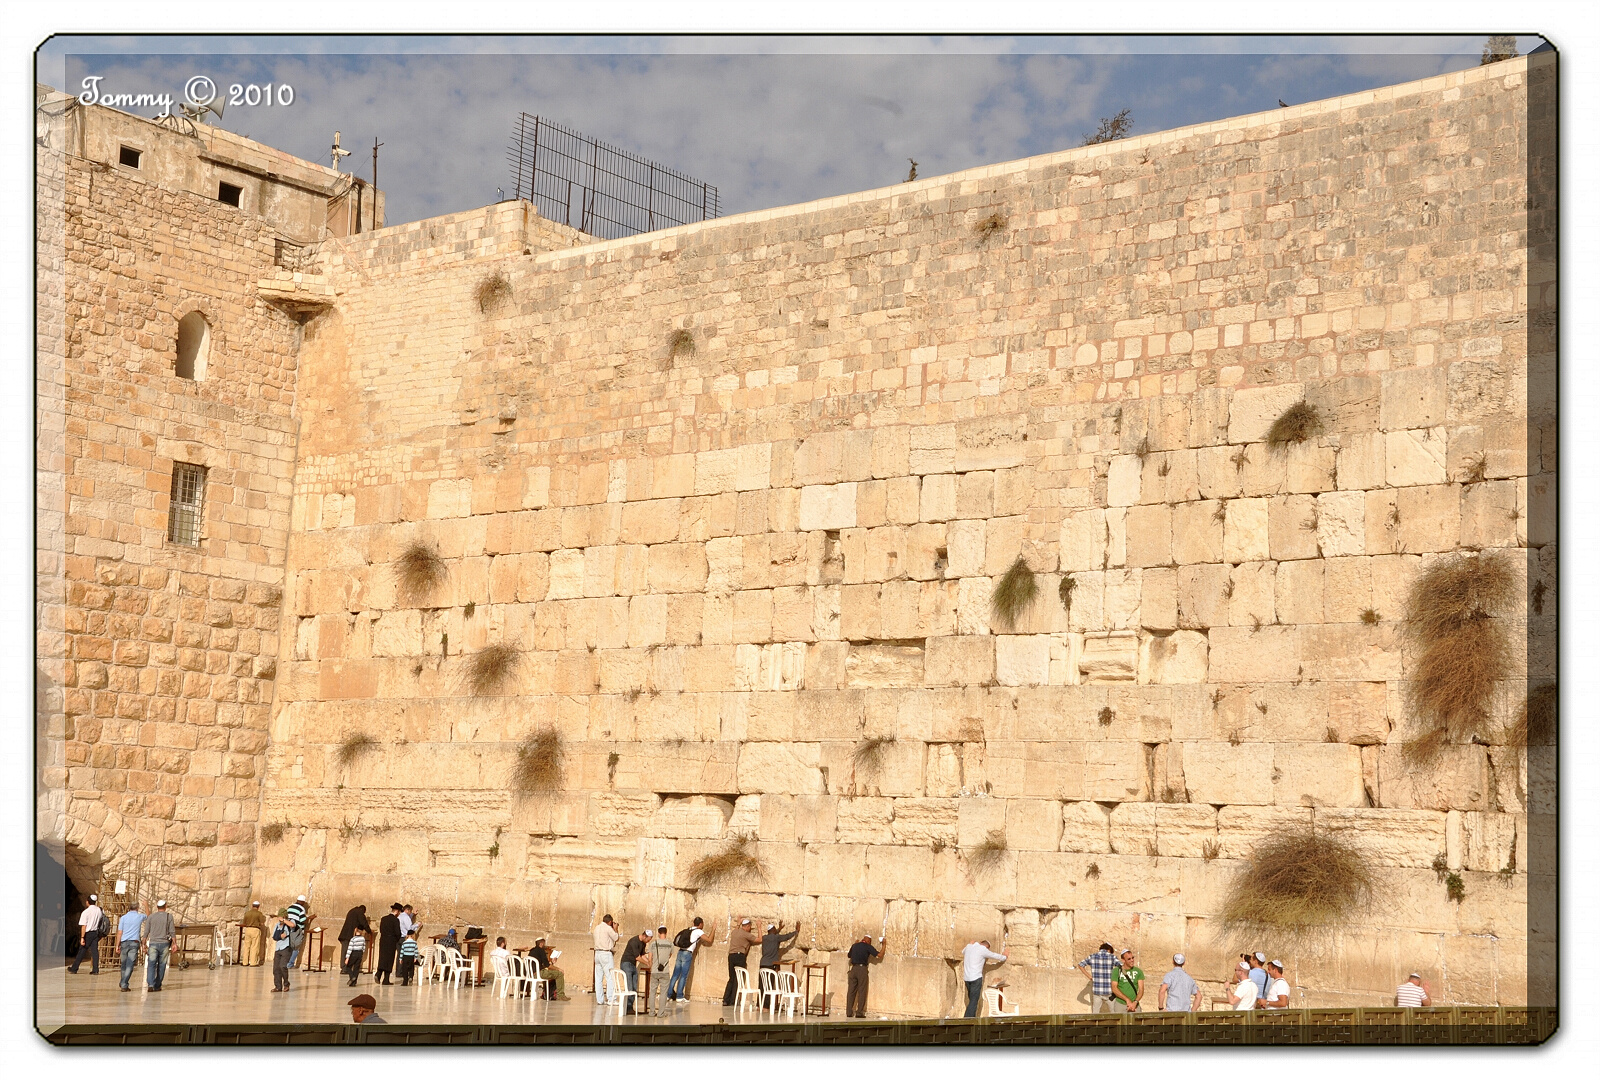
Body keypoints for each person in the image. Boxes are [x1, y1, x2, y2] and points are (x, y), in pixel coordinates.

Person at [962, 939, 1008, 1017]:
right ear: (987, 947)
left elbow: (963, 952)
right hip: (976, 978)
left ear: (981, 942)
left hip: (967, 978)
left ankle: (969, 1018)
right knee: (974, 1001)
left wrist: (970, 943)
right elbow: (994, 955)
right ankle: (968, 1019)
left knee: (971, 1000)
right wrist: (1004, 957)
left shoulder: (968, 946)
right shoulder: (983, 949)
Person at [667, 917, 708, 1003]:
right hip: (687, 954)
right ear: (700, 924)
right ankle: (679, 996)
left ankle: (668, 994)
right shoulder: (698, 931)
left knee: (675, 975)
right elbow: (709, 940)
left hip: (680, 952)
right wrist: (713, 929)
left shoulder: (688, 929)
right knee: (683, 975)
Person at [846, 934, 885, 1017]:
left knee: (851, 992)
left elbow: (849, 955)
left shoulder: (855, 945)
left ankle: (849, 1012)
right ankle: (859, 1012)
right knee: (862, 991)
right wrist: (884, 945)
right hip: (862, 969)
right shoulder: (867, 946)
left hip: (853, 969)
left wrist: (855, 944)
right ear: (868, 941)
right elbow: (880, 955)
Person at [722, 918, 759, 1006]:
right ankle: (733, 1000)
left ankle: (725, 999)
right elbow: (759, 939)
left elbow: (735, 929)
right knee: (738, 979)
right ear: (747, 926)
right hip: (739, 956)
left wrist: (738, 923)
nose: (750, 929)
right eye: (749, 927)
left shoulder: (735, 932)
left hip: (731, 956)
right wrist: (760, 928)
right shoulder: (746, 934)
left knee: (731, 978)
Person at [1076, 942, 1121, 1013]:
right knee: (1115, 1014)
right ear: (1109, 949)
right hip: (1109, 992)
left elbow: (1080, 965)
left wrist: (1090, 977)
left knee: (1095, 1015)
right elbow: (1121, 967)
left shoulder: (1092, 956)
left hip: (1097, 991)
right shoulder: (1112, 957)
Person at [144, 899, 176, 991]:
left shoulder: (151, 917)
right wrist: (174, 943)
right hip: (164, 944)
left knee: (151, 964)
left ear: (157, 907)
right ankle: (157, 985)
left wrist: (143, 943)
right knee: (162, 965)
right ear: (165, 906)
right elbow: (172, 931)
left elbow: (146, 931)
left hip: (153, 943)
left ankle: (150, 984)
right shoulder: (169, 916)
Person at [70, 893, 105, 974]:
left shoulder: (86, 912)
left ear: (88, 902)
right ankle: (95, 969)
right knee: (95, 951)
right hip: (95, 933)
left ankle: (74, 968)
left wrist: (82, 937)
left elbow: (84, 926)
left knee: (82, 950)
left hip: (88, 933)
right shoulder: (99, 910)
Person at [117, 901, 147, 992]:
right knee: (130, 965)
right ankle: (124, 983)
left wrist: (117, 945)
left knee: (124, 964)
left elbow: (119, 932)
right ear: (137, 908)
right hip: (134, 942)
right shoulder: (139, 917)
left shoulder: (123, 918)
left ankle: (123, 982)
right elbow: (149, 916)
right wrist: (146, 906)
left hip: (124, 942)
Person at [620, 929, 651, 1014]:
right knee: (629, 987)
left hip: (633, 965)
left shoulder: (643, 943)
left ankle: (630, 1008)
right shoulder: (634, 941)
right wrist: (647, 963)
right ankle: (627, 1007)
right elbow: (637, 957)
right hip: (626, 963)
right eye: (648, 939)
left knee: (634, 987)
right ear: (644, 936)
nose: (648, 942)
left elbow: (642, 954)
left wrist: (649, 962)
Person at [592, 914, 620, 1004]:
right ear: (610, 922)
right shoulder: (608, 928)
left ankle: (599, 1000)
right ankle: (611, 998)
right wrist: (615, 929)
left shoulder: (596, 928)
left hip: (597, 954)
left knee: (598, 978)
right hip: (606, 953)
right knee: (610, 977)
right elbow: (616, 938)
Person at [649, 926, 675, 1015]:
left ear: (658, 933)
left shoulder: (653, 944)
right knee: (663, 993)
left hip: (654, 970)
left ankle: (652, 1012)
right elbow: (669, 956)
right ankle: (661, 1013)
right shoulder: (670, 944)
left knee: (652, 992)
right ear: (666, 933)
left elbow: (650, 958)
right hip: (665, 971)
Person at [1111, 948, 1145, 1013]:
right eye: (1129, 959)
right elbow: (1114, 988)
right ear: (1123, 960)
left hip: (1135, 1004)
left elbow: (1141, 990)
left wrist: (1135, 1002)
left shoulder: (1138, 971)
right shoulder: (1116, 971)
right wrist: (1127, 1000)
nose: (1132, 960)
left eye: (1133, 958)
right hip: (1121, 1004)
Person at [376, 903, 403, 985]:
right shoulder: (395, 920)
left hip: (383, 940)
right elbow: (398, 932)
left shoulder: (383, 919)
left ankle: (378, 974)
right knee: (389, 959)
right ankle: (386, 979)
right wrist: (397, 939)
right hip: (391, 941)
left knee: (382, 957)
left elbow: (381, 930)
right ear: (397, 911)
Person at [286, 895, 312, 967]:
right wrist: (309, 918)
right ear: (302, 902)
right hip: (298, 929)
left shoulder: (290, 907)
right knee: (296, 947)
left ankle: (286, 962)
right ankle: (290, 964)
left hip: (289, 929)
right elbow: (302, 920)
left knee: (290, 946)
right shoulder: (301, 909)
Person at [271, 913, 294, 992]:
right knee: (276, 968)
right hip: (278, 948)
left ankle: (286, 984)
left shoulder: (288, 924)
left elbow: (293, 925)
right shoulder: (277, 925)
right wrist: (280, 936)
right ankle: (278, 986)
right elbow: (275, 937)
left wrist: (284, 920)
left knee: (283, 966)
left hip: (286, 948)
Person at [241, 901, 267, 966]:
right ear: (258, 906)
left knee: (247, 946)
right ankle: (253, 962)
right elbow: (262, 923)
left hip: (248, 929)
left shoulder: (247, 913)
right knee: (254, 946)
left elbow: (244, 923)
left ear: (252, 906)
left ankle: (245, 962)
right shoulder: (259, 914)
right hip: (255, 930)